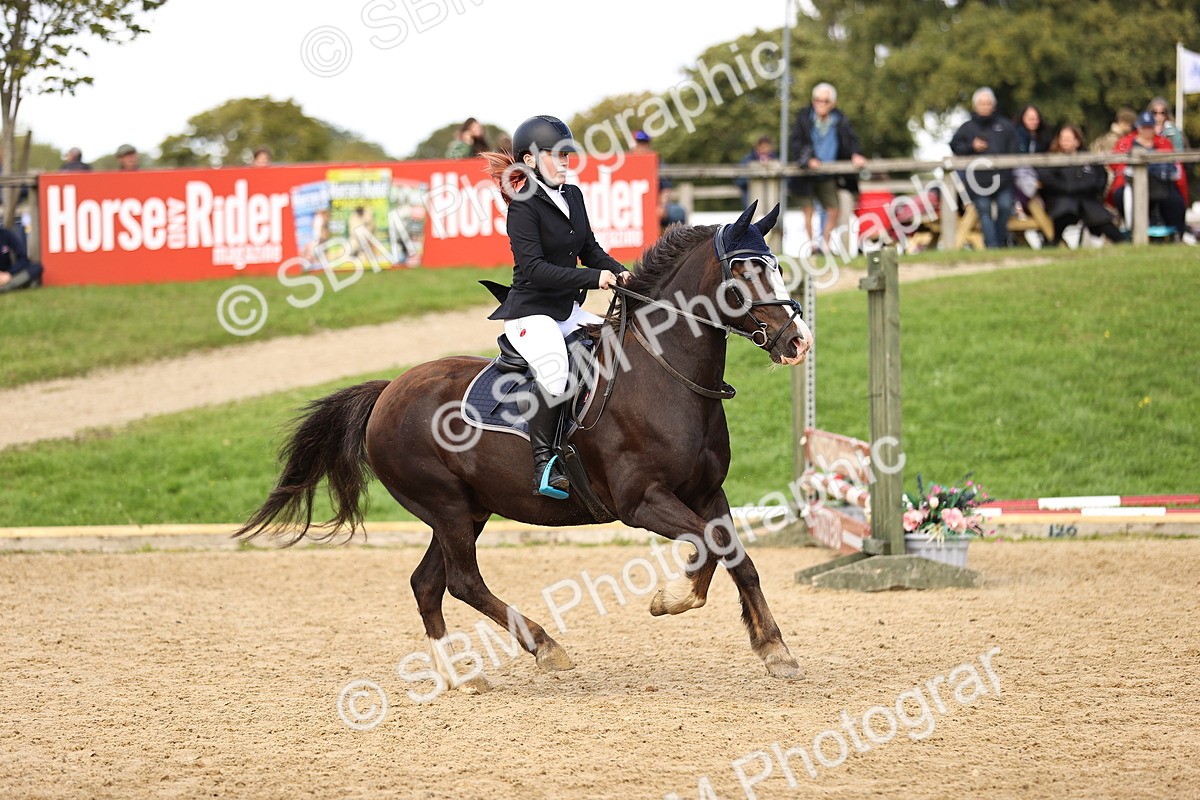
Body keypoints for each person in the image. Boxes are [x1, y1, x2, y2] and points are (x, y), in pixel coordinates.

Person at [481, 115, 632, 499]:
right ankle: (545, 465)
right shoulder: (523, 207)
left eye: (568, 154)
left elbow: (589, 250)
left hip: (567, 312)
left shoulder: (574, 196)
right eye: (557, 155)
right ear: (529, 161)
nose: (565, 161)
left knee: (621, 347)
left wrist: (619, 271)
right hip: (531, 314)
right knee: (556, 371)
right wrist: (592, 279)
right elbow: (535, 269)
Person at [788, 82, 866, 253]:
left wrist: (855, 154)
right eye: (818, 100)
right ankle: (811, 247)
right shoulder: (803, 118)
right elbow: (795, 143)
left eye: (825, 101)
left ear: (832, 103)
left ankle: (825, 245)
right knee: (808, 210)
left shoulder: (841, 120)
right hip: (806, 174)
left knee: (833, 209)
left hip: (829, 174)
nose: (821, 103)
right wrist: (807, 160)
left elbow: (851, 140)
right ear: (813, 100)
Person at [950, 87, 1019, 248]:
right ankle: (992, 246)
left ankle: (1001, 243)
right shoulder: (967, 128)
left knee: (1005, 206)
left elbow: (1014, 151)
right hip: (977, 182)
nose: (985, 106)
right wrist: (971, 147)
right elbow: (955, 146)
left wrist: (1006, 172)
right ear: (976, 106)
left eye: (988, 103)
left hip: (1003, 180)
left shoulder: (1005, 126)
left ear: (993, 105)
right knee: (984, 209)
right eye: (982, 103)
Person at [1037, 124, 1123, 246]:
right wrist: (1067, 187)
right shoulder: (1051, 158)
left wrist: (1086, 189)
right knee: (1064, 215)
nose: (1065, 142)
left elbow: (1100, 178)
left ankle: (1123, 243)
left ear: (1077, 141)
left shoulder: (1088, 158)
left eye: (1068, 139)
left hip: (1087, 200)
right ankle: (1052, 243)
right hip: (1061, 200)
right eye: (1062, 138)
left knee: (1101, 218)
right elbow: (1048, 179)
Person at [1111, 111, 1188, 240]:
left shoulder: (1164, 143)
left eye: (1150, 127)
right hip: (1132, 185)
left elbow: (1174, 166)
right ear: (1138, 127)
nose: (1147, 131)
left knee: (1176, 202)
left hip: (1161, 186)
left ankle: (1177, 235)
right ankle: (1134, 235)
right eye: (1144, 127)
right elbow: (1116, 164)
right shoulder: (1125, 143)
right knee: (1121, 196)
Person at [631, 130, 687, 229]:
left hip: (654, 206)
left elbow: (666, 189)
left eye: (644, 143)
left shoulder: (658, 163)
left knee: (678, 213)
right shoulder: (627, 162)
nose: (642, 146)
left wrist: (662, 207)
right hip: (632, 207)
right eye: (639, 143)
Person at [1011, 104, 1053, 212]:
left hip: (1037, 172)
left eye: (1035, 118)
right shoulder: (1015, 134)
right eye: (1030, 118)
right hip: (1019, 172)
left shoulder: (1043, 136)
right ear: (1023, 118)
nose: (1033, 121)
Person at [735, 136, 777, 206]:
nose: (765, 150)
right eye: (762, 147)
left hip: (771, 198)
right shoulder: (747, 160)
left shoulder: (775, 159)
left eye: (767, 147)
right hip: (751, 196)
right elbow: (740, 180)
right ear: (757, 147)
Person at [0, 225, 44, 293]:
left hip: (8, 275)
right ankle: (17, 285)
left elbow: (23, 259)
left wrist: (9, 273)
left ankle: (5, 288)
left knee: (37, 268)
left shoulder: (5, 234)